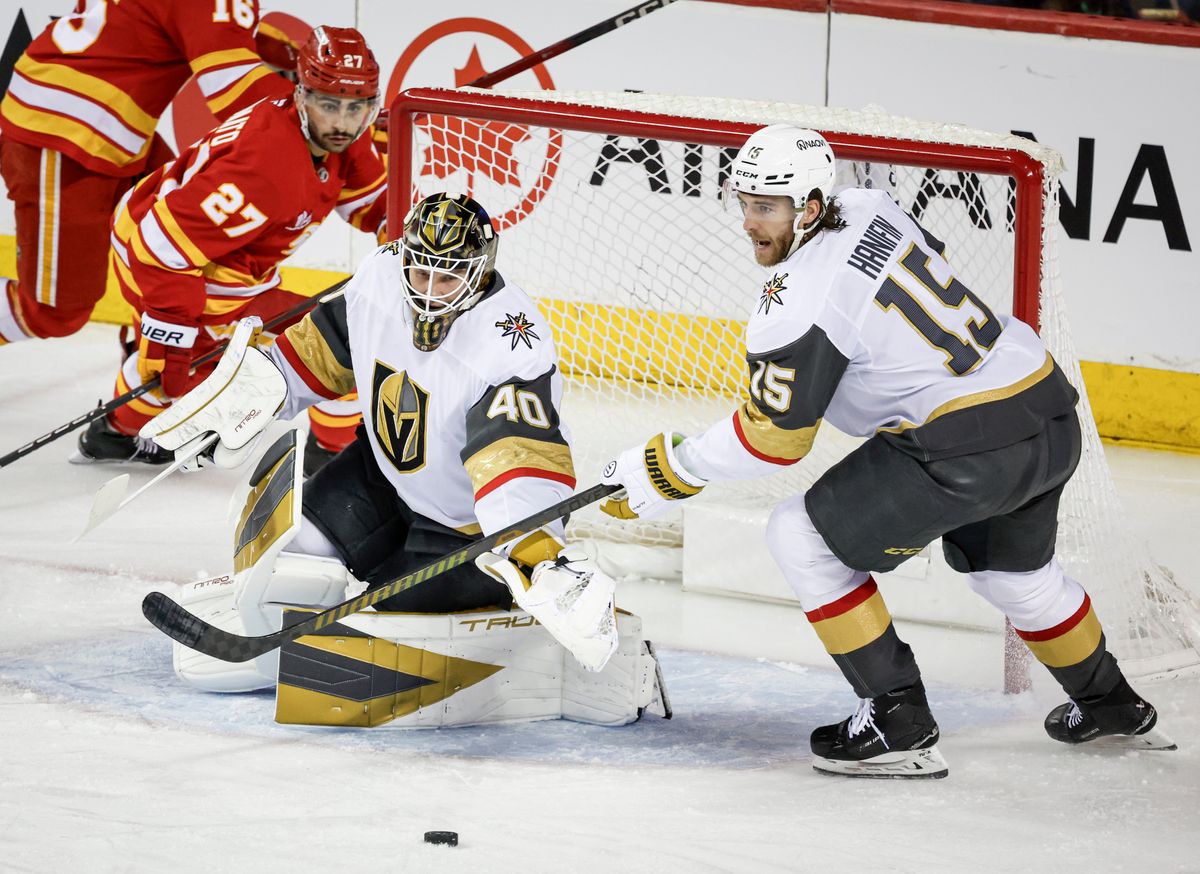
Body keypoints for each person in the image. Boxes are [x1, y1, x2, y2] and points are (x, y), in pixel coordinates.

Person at [599, 124, 1175, 778]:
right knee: (1013, 577)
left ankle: (897, 720)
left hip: (966, 446)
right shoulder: (870, 205)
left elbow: (775, 439)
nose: (749, 222)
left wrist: (670, 470)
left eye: (767, 207)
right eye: (746, 203)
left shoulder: (796, 301)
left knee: (800, 535)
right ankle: (1111, 703)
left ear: (810, 207)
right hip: (1045, 407)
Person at [138, 193, 645, 722]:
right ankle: (277, 646)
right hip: (384, 475)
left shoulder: (509, 344)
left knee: (383, 634)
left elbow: (515, 461)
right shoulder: (380, 276)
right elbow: (322, 351)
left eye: (447, 278)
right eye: (420, 272)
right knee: (289, 553)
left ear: (480, 269)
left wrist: (535, 552)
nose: (428, 291)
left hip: (466, 527)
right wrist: (247, 401)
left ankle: (503, 606)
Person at [73, 25, 386, 469]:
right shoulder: (264, 170)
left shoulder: (335, 137)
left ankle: (334, 458)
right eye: (329, 105)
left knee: (336, 348)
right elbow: (161, 246)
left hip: (215, 259)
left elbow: (373, 202)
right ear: (301, 96)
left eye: (356, 108)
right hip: (165, 257)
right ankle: (115, 433)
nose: (342, 122)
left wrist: (402, 232)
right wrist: (169, 331)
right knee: (179, 370)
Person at [0, 0, 294, 346]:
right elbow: (231, 87)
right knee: (53, 311)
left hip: (106, 124)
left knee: (185, 242)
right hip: (64, 129)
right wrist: (324, 115)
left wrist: (307, 61)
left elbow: (222, 27)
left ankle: (151, 351)